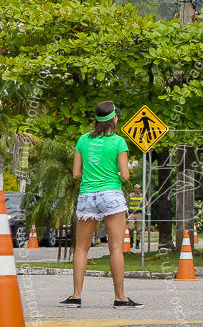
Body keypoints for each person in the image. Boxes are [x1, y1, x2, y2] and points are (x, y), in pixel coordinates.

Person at [59, 101, 142, 308]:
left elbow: (76, 173)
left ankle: (76, 295)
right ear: (114, 119)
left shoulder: (83, 141)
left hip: (87, 195)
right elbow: (125, 176)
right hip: (111, 194)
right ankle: (120, 297)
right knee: (115, 247)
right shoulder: (118, 142)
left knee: (81, 247)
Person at [127, 183, 144, 249]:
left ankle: (137, 243)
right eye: (138, 188)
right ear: (135, 189)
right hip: (132, 213)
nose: (139, 190)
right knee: (130, 227)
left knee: (139, 229)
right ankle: (131, 240)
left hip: (139, 214)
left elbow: (146, 203)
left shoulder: (142, 196)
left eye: (140, 188)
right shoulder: (131, 195)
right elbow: (127, 202)